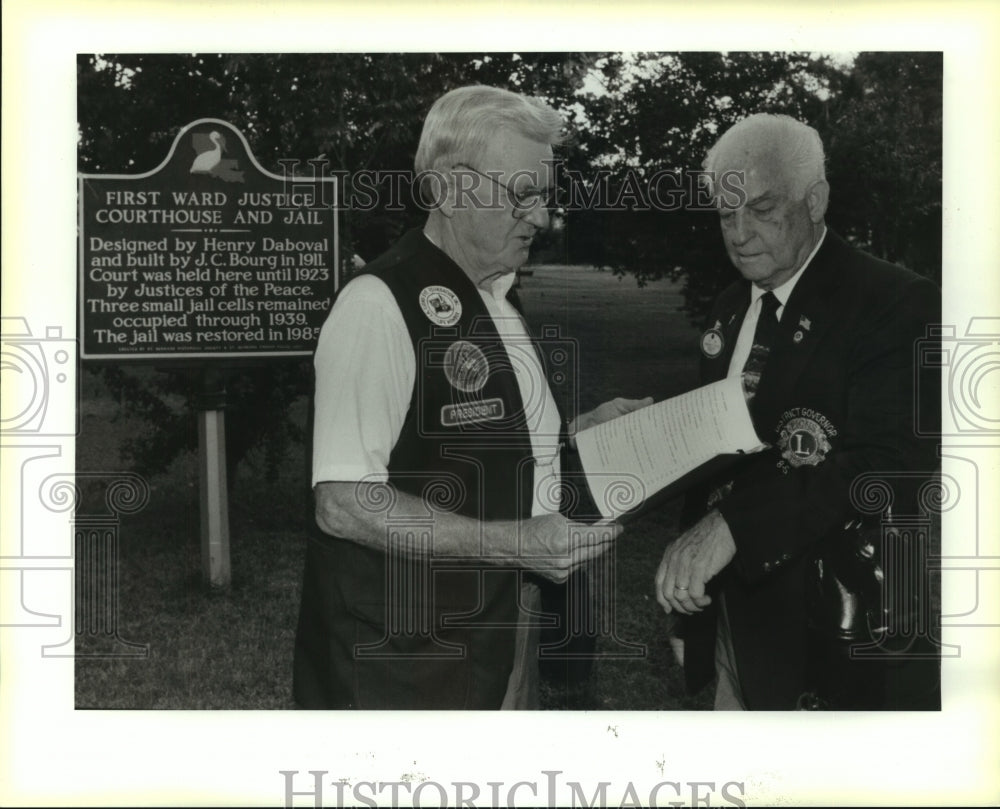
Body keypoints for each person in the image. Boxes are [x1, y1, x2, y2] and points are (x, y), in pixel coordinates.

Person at [294, 85, 647, 710]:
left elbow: (483, 436)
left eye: (544, 196)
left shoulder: (497, 296)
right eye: (523, 195)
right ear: (453, 188)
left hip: (500, 627)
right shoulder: (378, 304)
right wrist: (516, 543)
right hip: (407, 662)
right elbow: (343, 503)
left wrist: (581, 430)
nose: (540, 218)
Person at [655, 113, 941, 710]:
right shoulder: (734, 304)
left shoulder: (896, 302)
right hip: (732, 610)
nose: (738, 233)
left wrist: (735, 527)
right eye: (725, 214)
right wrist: (651, 418)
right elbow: (743, 432)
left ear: (816, 199)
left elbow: (886, 466)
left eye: (760, 209)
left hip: (834, 626)